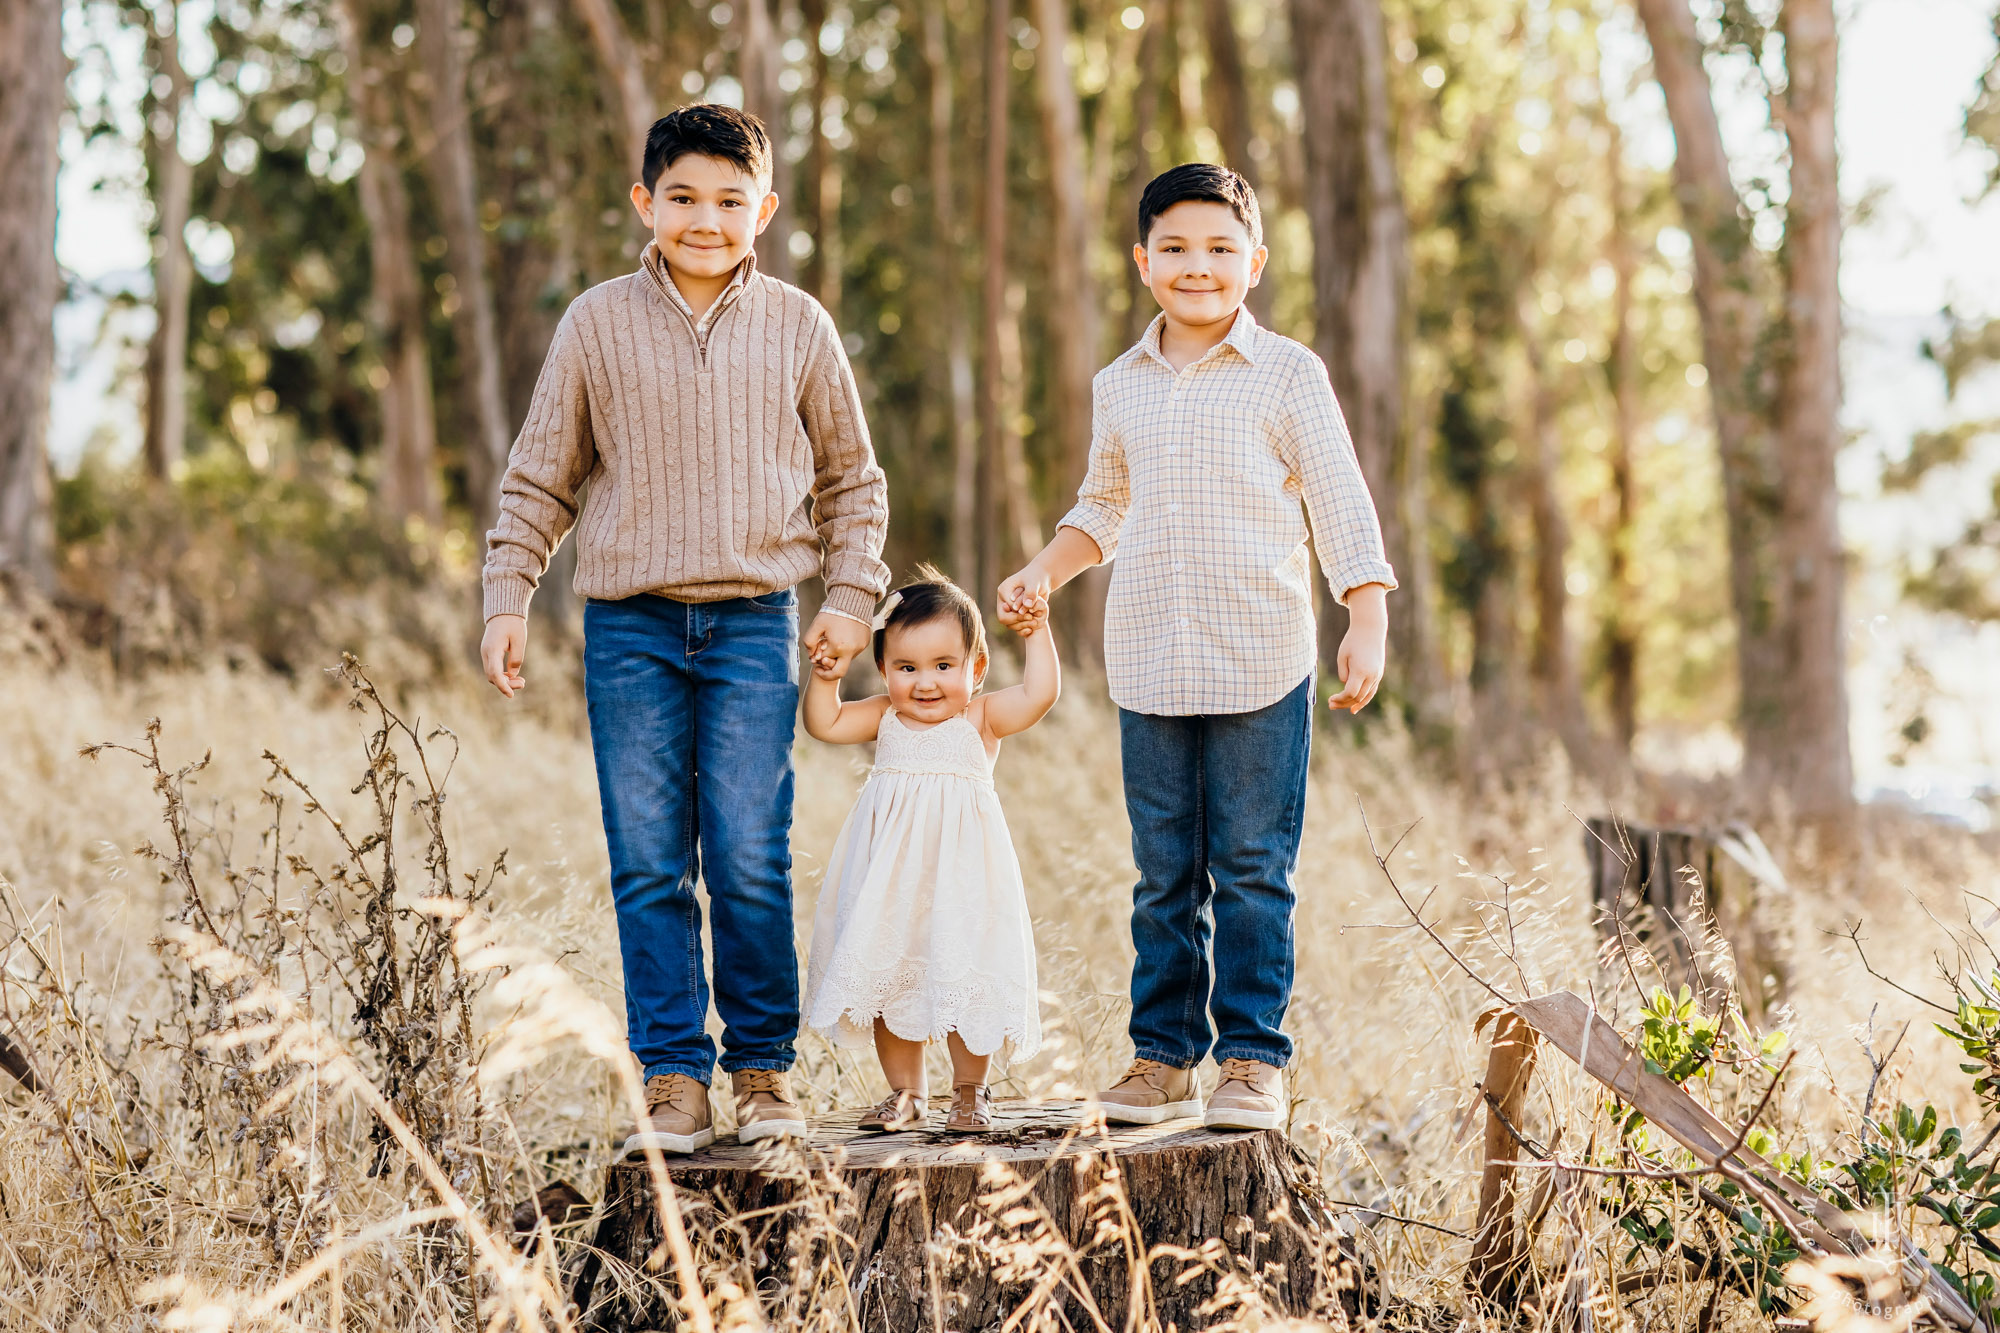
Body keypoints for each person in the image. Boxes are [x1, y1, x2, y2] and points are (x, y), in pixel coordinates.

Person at [478, 104, 890, 1156]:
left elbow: (852, 480)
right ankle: (672, 1077)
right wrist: (505, 593)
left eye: (728, 200)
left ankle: (761, 1071)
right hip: (631, 628)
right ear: (644, 204)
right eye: (682, 198)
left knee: (749, 852)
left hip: (757, 621)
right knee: (649, 859)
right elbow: (541, 474)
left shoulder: (798, 324)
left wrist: (849, 600)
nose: (705, 220)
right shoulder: (595, 322)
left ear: (765, 208)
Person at [998, 163, 1395, 1133]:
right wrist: (1043, 570)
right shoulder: (1118, 384)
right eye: (1173, 248)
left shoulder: (1287, 374)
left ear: (1252, 263)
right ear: (1142, 262)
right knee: (1162, 872)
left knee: (1253, 867)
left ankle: (1250, 1062)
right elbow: (1102, 506)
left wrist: (1366, 609)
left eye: (1219, 249)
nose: (1196, 266)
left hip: (1260, 657)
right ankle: (1157, 1059)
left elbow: (1338, 497)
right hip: (1147, 659)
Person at [799, 568, 1057, 1134]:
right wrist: (826, 677)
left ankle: (970, 1091)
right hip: (892, 883)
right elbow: (824, 722)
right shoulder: (884, 717)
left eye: (944, 666)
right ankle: (908, 1093)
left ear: (976, 668)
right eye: (906, 668)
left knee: (965, 972)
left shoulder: (981, 717)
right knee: (894, 978)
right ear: (884, 669)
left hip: (963, 882)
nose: (925, 683)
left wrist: (1036, 632)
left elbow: (1040, 695)